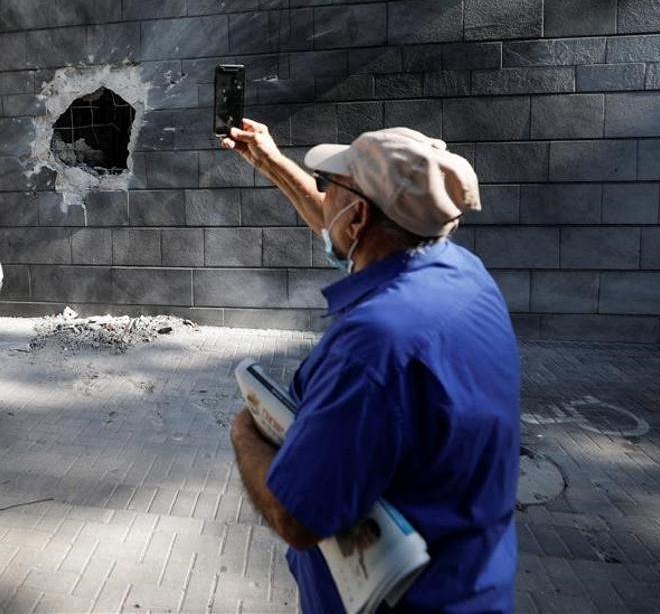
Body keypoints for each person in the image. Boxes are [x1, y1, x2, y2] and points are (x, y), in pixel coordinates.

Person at [223, 119, 520, 613]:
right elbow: (335, 225)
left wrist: (245, 432)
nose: (323, 197)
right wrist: (270, 161)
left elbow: (300, 518)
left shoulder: (374, 344)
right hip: (471, 586)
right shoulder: (464, 272)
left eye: (329, 187)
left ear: (358, 218)